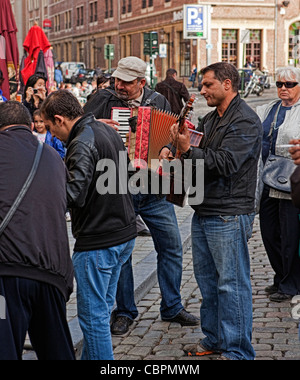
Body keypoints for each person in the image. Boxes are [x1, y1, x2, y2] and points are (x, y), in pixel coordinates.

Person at [84, 56, 199, 335]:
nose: (119, 85)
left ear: (142, 82)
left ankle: (172, 305)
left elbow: (169, 133)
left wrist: (168, 147)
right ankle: (124, 311)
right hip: (118, 186)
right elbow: (79, 128)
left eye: (126, 81)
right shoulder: (103, 99)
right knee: (123, 252)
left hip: (153, 189)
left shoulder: (158, 101)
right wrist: (96, 124)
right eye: (117, 80)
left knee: (171, 246)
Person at [161, 62, 262, 360]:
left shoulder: (244, 120)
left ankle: (238, 351)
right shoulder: (210, 118)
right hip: (205, 209)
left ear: (227, 84)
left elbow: (227, 163)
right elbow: (190, 142)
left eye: (208, 85)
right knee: (208, 282)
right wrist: (171, 146)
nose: (201, 90)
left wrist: (189, 151)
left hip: (229, 212)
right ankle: (215, 338)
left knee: (232, 285)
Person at [40, 89, 137, 360]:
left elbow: (74, 193)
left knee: (93, 318)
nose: (51, 135)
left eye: (49, 127)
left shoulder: (81, 141)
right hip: (121, 233)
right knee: (101, 310)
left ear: (60, 119)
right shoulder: (105, 130)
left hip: (99, 239)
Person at [0, 101, 75, 360]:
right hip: (52, 274)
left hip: (6, 275)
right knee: (58, 352)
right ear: (31, 126)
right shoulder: (53, 156)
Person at [256, 66, 300, 303]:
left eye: (289, 84)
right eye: (280, 84)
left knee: (290, 234)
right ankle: (281, 275)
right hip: (267, 178)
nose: (283, 88)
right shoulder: (269, 108)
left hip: (292, 181)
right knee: (269, 232)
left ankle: (291, 283)